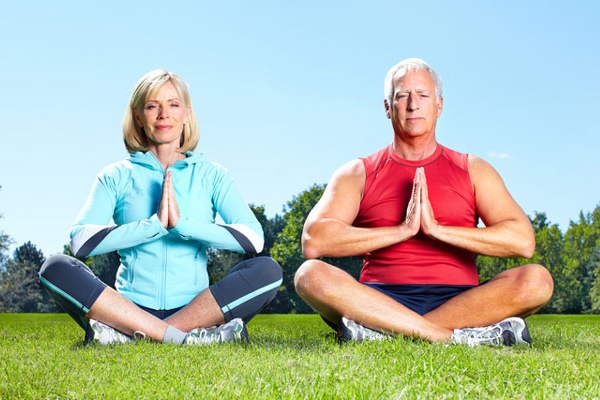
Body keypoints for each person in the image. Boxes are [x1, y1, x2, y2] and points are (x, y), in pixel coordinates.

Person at [294, 58, 554, 346]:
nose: (412, 105)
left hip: (461, 300)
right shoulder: (357, 172)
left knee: (537, 280)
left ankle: (384, 333)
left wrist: (438, 230)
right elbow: (314, 241)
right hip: (377, 298)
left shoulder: (473, 169)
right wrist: (402, 230)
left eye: (423, 95)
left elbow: (522, 241)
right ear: (387, 107)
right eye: (402, 95)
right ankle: (456, 339)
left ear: (439, 106)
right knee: (310, 275)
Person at [39, 70, 282, 345]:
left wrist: (182, 226)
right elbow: (81, 242)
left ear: (187, 113)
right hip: (128, 308)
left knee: (267, 270)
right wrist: (153, 227)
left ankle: (134, 336)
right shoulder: (116, 175)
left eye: (173, 105)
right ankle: (186, 338)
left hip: (196, 309)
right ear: (139, 116)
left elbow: (253, 238)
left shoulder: (212, 174)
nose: (164, 114)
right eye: (153, 106)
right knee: (55, 267)